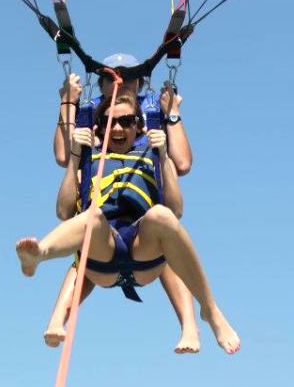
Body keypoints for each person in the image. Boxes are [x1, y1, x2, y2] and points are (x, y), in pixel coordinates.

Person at [20, 93, 240, 354]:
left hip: (143, 251)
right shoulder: (90, 161)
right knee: (92, 216)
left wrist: (163, 155)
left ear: (139, 126)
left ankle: (210, 311)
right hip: (102, 255)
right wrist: (76, 157)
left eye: (126, 121)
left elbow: (177, 210)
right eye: (109, 121)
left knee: (162, 216)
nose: (117, 128)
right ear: (100, 127)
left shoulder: (152, 157)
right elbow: (63, 211)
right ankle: (39, 254)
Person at [48, 54, 199, 353]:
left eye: (129, 77)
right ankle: (56, 319)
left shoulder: (150, 120)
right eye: (112, 78)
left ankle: (190, 326)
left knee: (167, 235)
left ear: (140, 83)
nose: (121, 83)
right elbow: (64, 157)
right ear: (102, 83)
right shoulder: (92, 126)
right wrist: (67, 104)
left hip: (145, 241)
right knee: (86, 241)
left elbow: (182, 163)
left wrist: (172, 115)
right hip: (104, 239)